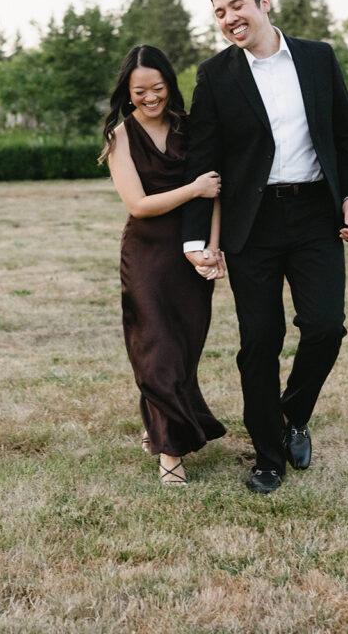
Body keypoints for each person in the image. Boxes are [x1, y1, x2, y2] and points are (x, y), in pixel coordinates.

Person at [182, 0, 348, 493]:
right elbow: (203, 160)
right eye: (218, 12)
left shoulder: (317, 57)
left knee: (326, 326)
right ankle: (267, 455)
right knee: (260, 341)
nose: (229, 18)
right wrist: (198, 240)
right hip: (252, 225)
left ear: (264, 2)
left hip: (314, 216)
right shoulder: (216, 76)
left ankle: (292, 415)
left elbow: (347, 137)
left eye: (236, 6)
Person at [100, 44, 226, 486]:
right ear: (127, 92)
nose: (150, 97)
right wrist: (192, 189)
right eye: (140, 91)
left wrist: (214, 248)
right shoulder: (120, 137)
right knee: (156, 353)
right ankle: (170, 452)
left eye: (158, 88)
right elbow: (138, 204)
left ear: (170, 85)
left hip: (191, 258)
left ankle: (160, 425)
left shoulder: (191, 129)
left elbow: (216, 193)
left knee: (184, 351)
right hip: (148, 256)